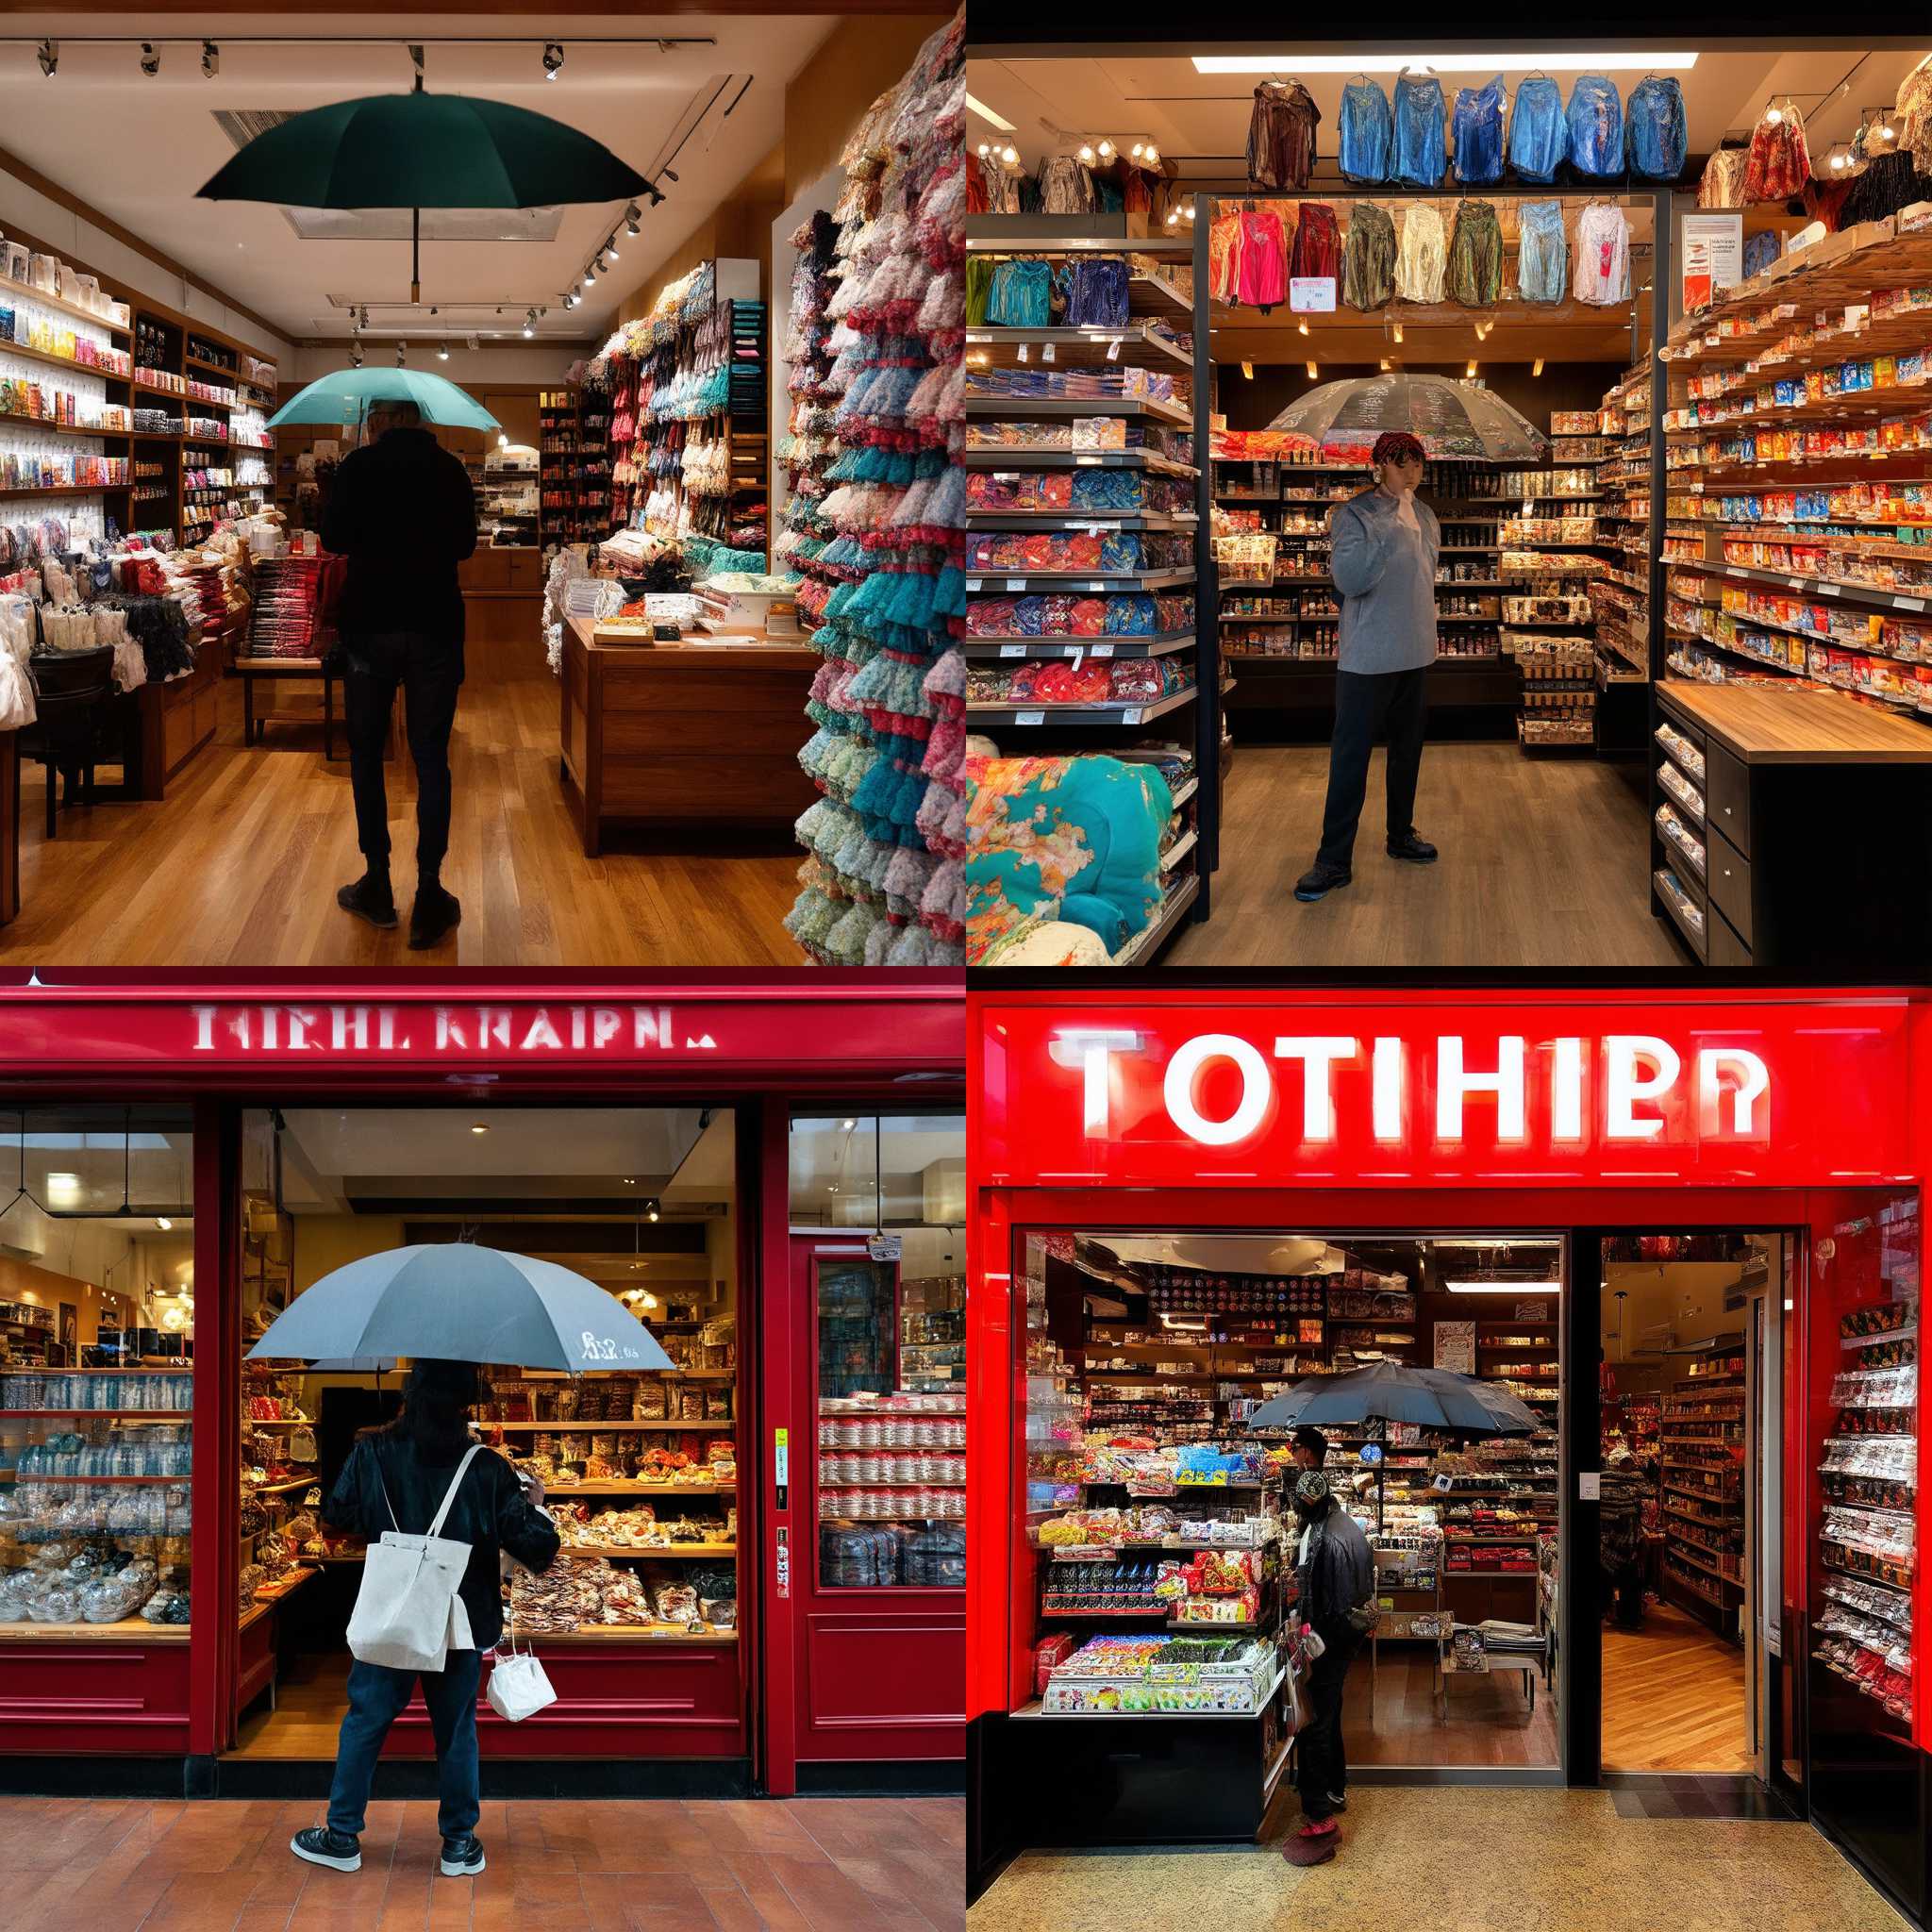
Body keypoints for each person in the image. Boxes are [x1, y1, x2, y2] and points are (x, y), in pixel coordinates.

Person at [291, 1358, 558, 1880]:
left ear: (407, 1396)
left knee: (366, 1720)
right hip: (460, 1617)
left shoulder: (371, 1451)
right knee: (456, 1730)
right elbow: (538, 1548)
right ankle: (458, 1843)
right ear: (464, 1404)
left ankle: (342, 1835)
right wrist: (537, 1503)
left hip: (393, 1608)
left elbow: (337, 1517)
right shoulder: (487, 1466)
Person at [322, 398, 478, 950]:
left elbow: (332, 540)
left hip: (369, 626)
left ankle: (379, 885)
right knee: (431, 756)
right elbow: (465, 544)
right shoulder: (451, 470)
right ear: (419, 421)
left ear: (381, 423)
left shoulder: (356, 468)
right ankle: (430, 891)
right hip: (434, 624)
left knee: (366, 753)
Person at [1294, 428, 1441, 903]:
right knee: (1350, 760)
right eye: (1401, 464)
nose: (1411, 472)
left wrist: (1406, 519)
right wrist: (1389, 530)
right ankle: (1332, 861)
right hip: (1368, 656)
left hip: (1416, 651)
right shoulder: (1354, 513)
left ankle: (1400, 836)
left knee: (1407, 753)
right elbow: (1350, 579)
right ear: (1380, 466)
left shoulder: (1427, 515)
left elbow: (1425, 576)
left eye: (1417, 463)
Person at [1284, 1470, 1374, 1866]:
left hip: (1331, 1636)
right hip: (1347, 1633)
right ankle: (1335, 1788)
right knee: (1331, 1709)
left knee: (1315, 1722)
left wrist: (1308, 1640)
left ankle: (1318, 1815)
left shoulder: (1322, 1537)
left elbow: (1324, 1601)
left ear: (1308, 1502)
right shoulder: (1343, 1523)